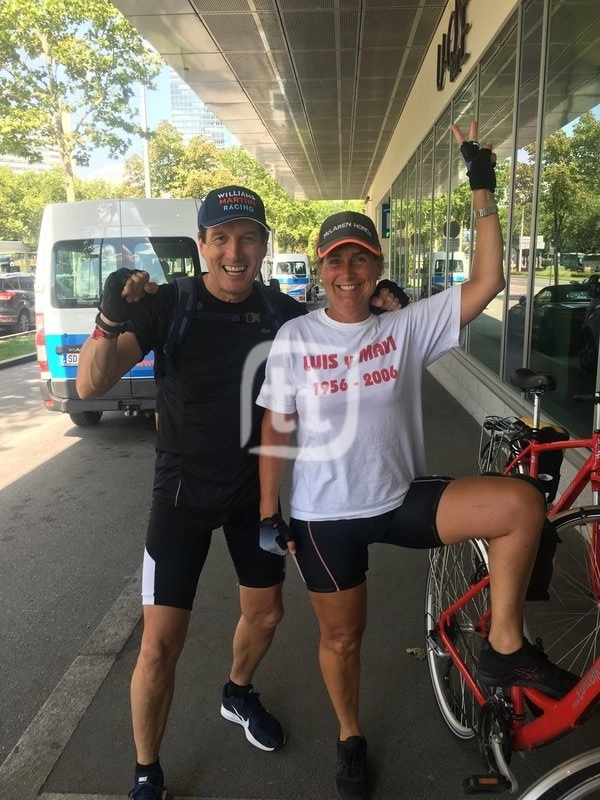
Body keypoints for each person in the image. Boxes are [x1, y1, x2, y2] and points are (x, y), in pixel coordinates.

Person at [256, 124, 579, 800]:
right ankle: (350, 734)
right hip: (324, 517)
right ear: (320, 268)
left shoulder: (404, 326)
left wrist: (481, 181)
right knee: (343, 640)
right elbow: (277, 423)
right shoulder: (294, 337)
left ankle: (505, 645)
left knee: (521, 504)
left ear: (377, 266)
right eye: (336, 261)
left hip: (402, 497)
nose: (348, 273)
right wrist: (267, 512)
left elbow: (488, 279)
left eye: (360, 259)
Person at [75, 184, 402, 800]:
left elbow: (347, 335)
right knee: (159, 645)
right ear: (202, 244)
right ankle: (146, 772)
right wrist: (109, 318)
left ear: (263, 245)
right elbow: (92, 385)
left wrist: (386, 308)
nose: (234, 252)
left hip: (256, 499)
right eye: (221, 238)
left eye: (247, 238)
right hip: (181, 499)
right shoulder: (170, 304)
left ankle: (237, 691)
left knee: (267, 613)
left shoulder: (281, 313)